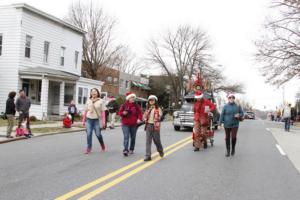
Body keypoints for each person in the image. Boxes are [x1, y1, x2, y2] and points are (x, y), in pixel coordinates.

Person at [82, 88, 106, 154]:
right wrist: (83, 120)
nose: (93, 93)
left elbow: (103, 112)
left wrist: (103, 121)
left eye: (95, 91)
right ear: (90, 93)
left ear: (97, 93)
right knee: (89, 134)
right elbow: (86, 111)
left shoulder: (101, 101)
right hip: (89, 119)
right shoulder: (88, 101)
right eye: (92, 92)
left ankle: (102, 145)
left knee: (98, 134)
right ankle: (89, 148)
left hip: (97, 120)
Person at [119, 92, 143, 157]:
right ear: (128, 98)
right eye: (131, 97)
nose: (133, 99)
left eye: (133, 98)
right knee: (126, 137)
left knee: (133, 137)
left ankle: (131, 149)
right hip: (125, 124)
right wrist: (123, 113)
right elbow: (120, 113)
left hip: (134, 124)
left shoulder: (136, 106)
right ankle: (125, 150)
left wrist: (139, 119)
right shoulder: (124, 105)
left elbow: (140, 113)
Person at [143, 95, 164, 161]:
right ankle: (148, 155)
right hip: (148, 125)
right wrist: (144, 118)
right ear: (148, 101)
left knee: (156, 140)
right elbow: (144, 116)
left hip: (155, 126)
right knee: (148, 141)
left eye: (153, 100)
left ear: (155, 101)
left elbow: (160, 116)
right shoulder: (147, 109)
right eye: (150, 100)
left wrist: (159, 117)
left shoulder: (158, 109)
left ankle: (160, 150)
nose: (151, 101)